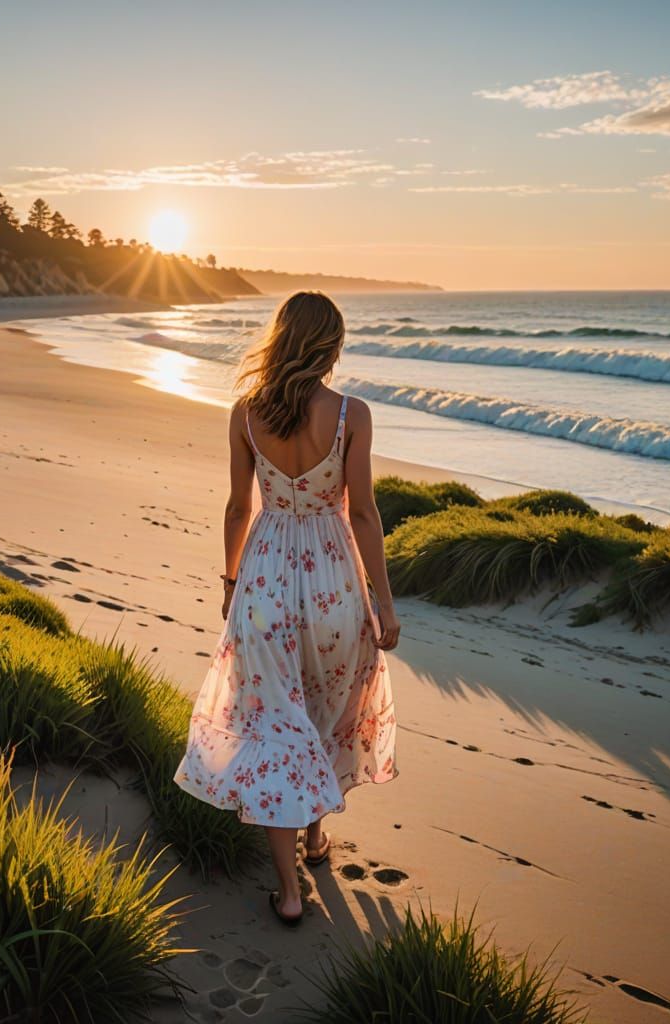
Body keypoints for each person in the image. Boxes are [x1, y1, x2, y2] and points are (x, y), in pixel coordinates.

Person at [173, 291, 399, 926]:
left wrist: (228, 579)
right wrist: (384, 602)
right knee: (325, 708)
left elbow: (238, 508)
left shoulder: (246, 413)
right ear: (330, 345)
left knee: (277, 722)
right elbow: (361, 512)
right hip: (333, 577)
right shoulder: (353, 413)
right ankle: (315, 838)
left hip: (267, 578)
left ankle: (291, 889)